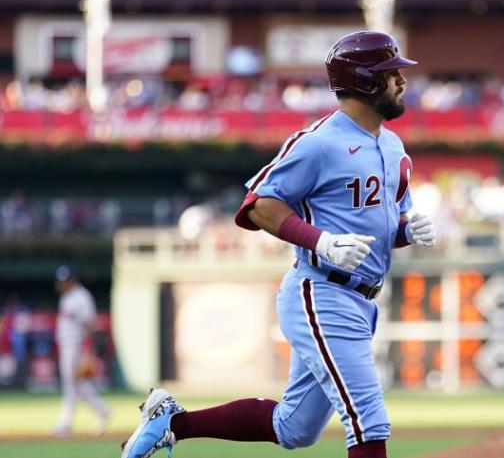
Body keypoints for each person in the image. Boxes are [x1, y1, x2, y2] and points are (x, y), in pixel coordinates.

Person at [120, 31, 435, 458]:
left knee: (295, 427)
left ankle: (172, 422)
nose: (401, 81)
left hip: (361, 300)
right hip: (322, 291)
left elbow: (378, 229)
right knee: (368, 419)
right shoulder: (319, 142)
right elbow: (257, 206)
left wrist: (404, 231)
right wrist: (321, 242)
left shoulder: (394, 145)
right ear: (364, 81)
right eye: (391, 73)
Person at [52, 265, 110, 437]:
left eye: (65, 280)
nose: (62, 284)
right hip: (66, 346)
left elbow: (89, 325)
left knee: (71, 386)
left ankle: (65, 424)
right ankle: (103, 410)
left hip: (76, 346)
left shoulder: (82, 297)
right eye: (61, 281)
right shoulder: (67, 297)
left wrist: (87, 350)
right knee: (78, 386)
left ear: (73, 280)